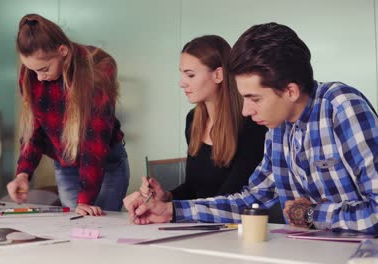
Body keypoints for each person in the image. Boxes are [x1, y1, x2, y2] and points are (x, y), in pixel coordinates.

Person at [124, 22, 378, 234]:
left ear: (290, 90)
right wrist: (171, 211)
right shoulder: (278, 129)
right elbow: (250, 199)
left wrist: (313, 214)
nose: (245, 111)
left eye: (254, 99)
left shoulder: (341, 107)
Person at [6, 14, 130, 216]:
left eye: (44, 69)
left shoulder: (98, 67)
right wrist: (23, 173)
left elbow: (95, 141)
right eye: (32, 70)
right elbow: (34, 128)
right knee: (76, 231)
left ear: (62, 51)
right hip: (66, 165)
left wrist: (85, 200)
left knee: (103, 228)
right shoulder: (32, 72)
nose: (39, 77)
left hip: (105, 164)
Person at [139, 35, 266, 204]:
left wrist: (175, 211)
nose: (182, 83)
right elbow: (193, 188)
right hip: (200, 223)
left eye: (190, 75)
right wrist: (166, 196)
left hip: (236, 226)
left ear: (218, 75)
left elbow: (231, 198)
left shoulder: (251, 125)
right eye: (182, 74)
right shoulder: (193, 120)